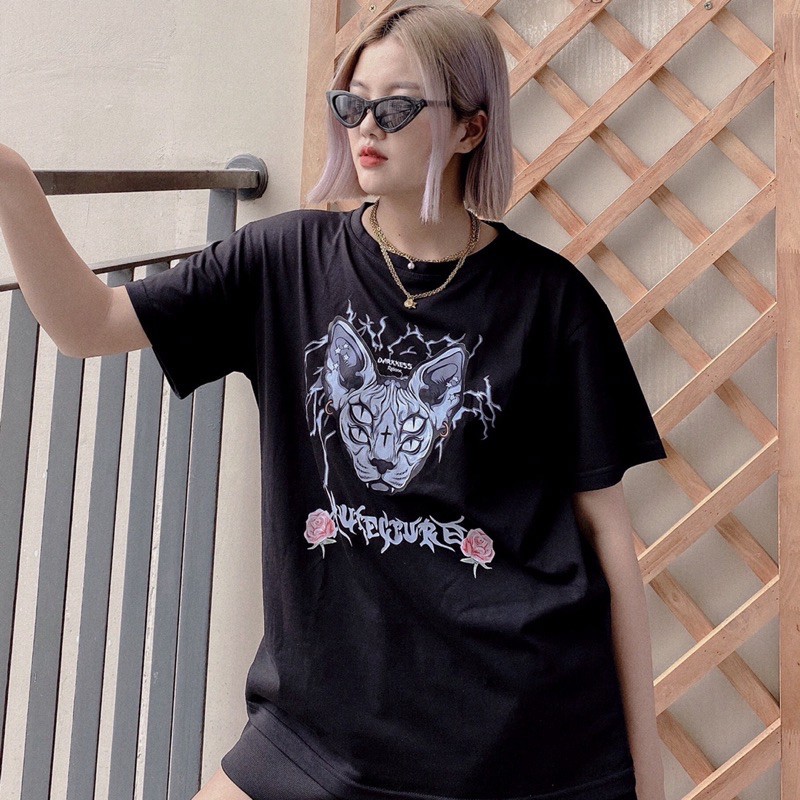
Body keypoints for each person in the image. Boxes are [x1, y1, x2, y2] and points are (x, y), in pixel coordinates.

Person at [0, 4, 668, 800]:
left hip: (517, 738)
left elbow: (607, 536)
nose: (366, 126)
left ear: (471, 129)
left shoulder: (552, 302)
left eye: (398, 106)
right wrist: (8, 176)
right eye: (352, 104)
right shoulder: (284, 262)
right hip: (320, 729)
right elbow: (87, 325)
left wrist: (647, 777)